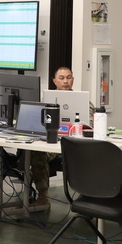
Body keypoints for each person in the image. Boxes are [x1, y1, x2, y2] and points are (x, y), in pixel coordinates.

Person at [30, 66, 78, 206]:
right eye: (61, 78)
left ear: (73, 80)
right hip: (51, 141)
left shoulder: (82, 101)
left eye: (69, 78)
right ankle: (43, 196)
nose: (65, 81)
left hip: (74, 143)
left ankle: (87, 197)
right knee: (38, 153)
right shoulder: (46, 101)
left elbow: (89, 125)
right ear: (54, 81)